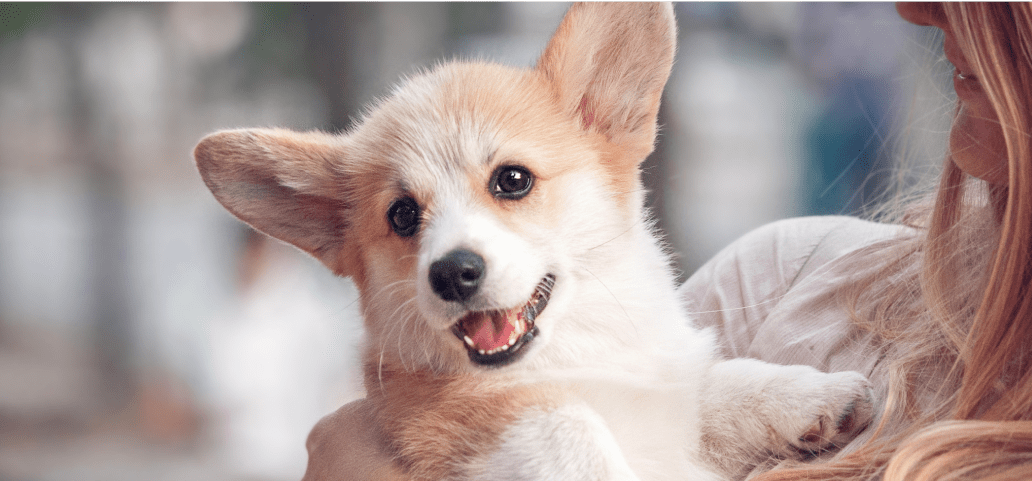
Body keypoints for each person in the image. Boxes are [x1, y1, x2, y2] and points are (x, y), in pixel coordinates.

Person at [303, 2, 1032, 480]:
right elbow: (656, 408)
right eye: (405, 217)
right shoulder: (782, 282)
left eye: (512, 181)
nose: (915, 7)